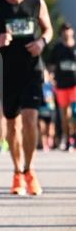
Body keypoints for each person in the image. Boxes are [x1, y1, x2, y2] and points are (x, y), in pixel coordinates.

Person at [0, 0, 52, 195]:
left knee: (31, 119)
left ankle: (30, 170)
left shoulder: (36, 3)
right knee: (12, 124)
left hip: (31, 70)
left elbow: (48, 29)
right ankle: (17, 172)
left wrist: (42, 42)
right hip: (7, 72)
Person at [49, 22, 76, 150]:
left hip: (74, 85)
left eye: (68, 29)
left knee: (74, 112)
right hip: (61, 85)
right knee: (64, 115)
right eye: (64, 30)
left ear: (72, 32)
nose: (66, 32)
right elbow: (51, 66)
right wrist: (51, 77)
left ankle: (73, 137)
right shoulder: (57, 48)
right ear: (61, 33)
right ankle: (67, 138)